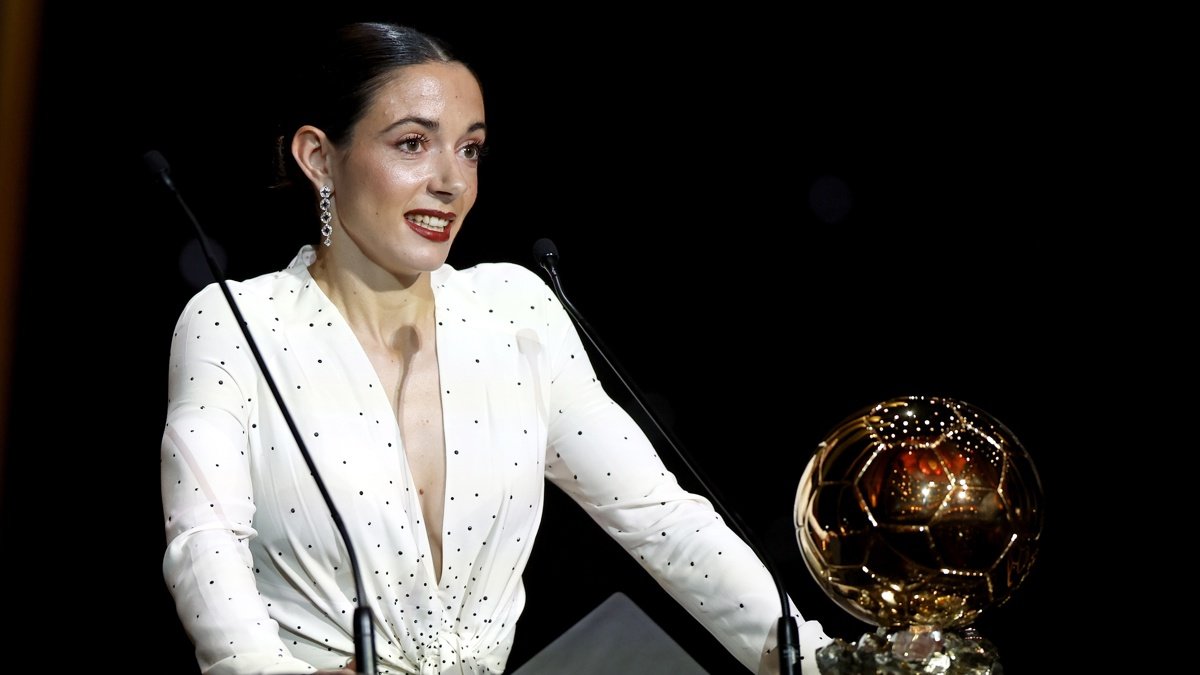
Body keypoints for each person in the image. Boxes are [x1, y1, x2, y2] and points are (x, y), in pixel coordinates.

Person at [160, 21, 830, 675]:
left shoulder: (516, 311)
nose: (451, 181)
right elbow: (205, 539)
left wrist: (814, 655)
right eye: (413, 143)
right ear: (319, 157)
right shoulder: (234, 322)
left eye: (470, 148)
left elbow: (662, 520)